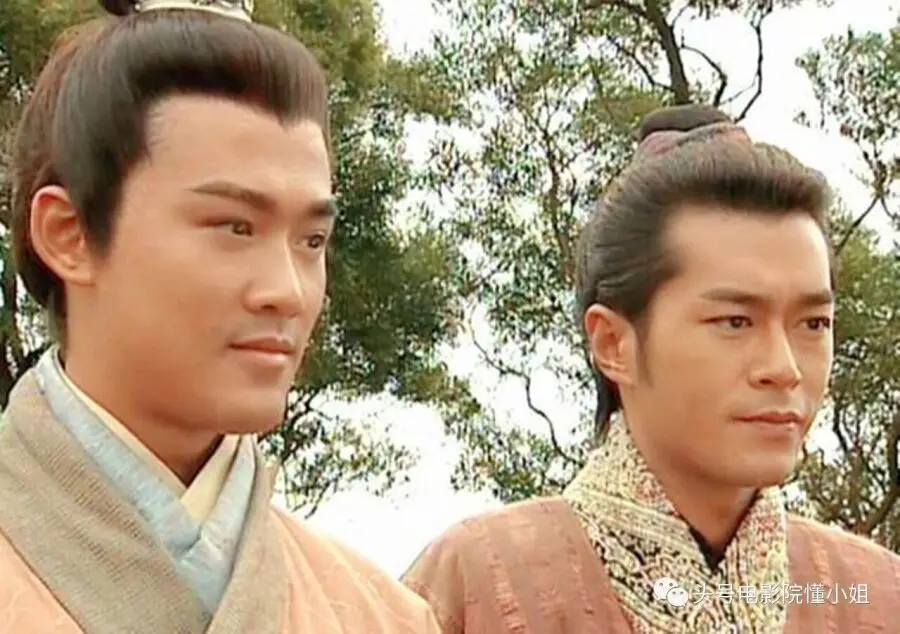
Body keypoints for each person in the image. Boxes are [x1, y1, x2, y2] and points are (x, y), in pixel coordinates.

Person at [0, 1, 439, 632]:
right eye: (235, 227)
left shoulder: (384, 615)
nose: (288, 292)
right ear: (69, 234)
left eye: (311, 241)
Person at [401, 105, 900, 633]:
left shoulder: (878, 595)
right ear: (613, 343)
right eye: (734, 321)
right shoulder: (472, 584)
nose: (784, 368)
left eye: (813, 324)